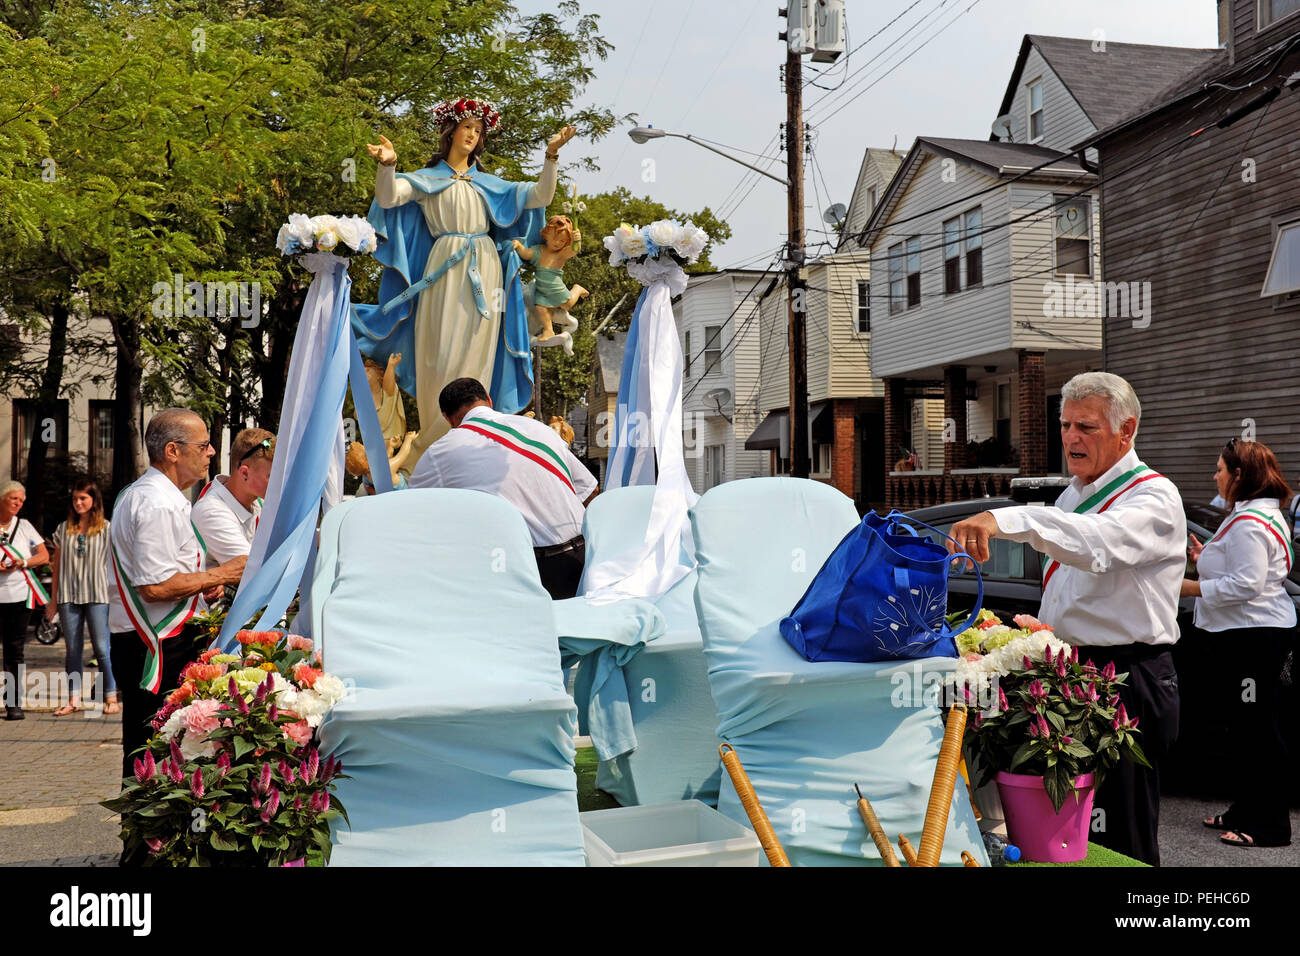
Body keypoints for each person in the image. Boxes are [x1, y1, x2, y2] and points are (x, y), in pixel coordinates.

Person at [949, 372, 1185, 866]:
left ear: (1127, 430)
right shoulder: (1075, 495)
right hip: (1076, 674)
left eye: (1088, 427)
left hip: (1127, 675)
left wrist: (1006, 519)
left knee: (1121, 838)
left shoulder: (1153, 497)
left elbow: (1095, 543)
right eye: (1066, 425)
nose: (1072, 438)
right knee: (1067, 837)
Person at [354, 98, 575, 465]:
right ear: (451, 131)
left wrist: (551, 156)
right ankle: (433, 448)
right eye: (467, 127)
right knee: (437, 355)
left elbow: (541, 195)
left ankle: (474, 444)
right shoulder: (428, 180)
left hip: (485, 272)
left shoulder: (490, 185)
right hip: (442, 271)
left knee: (476, 358)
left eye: (478, 130)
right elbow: (388, 196)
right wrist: (388, 165)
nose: (472, 135)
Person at [109, 409, 246, 783]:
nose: (211, 453)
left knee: (161, 749)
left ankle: (151, 836)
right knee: (152, 750)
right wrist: (224, 572)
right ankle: (146, 838)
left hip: (155, 640)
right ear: (172, 450)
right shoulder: (157, 502)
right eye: (203, 445)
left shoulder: (150, 494)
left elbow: (165, 574)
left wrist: (203, 581)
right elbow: (153, 587)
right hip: (157, 645)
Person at [1183, 439, 1295, 848]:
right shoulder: (1257, 514)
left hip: (1254, 638)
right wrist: (1206, 556)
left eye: (1220, 470)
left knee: (1259, 732)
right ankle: (1246, 810)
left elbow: (1247, 584)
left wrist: (1191, 585)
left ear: (1239, 476)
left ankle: (1270, 826)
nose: (1215, 476)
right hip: (1250, 634)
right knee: (1246, 730)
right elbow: (1245, 568)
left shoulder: (1250, 522)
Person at [408, 378, 598, 600]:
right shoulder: (539, 429)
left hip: (520, 568)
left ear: (447, 418)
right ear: (488, 400)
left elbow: (415, 512)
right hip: (583, 559)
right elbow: (590, 490)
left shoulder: (440, 452)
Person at [48, 478, 117, 716]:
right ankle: (73, 699)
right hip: (68, 595)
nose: (78, 503)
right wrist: (52, 600)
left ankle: (111, 695)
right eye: (75, 498)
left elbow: (115, 565)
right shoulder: (62, 529)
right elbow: (56, 568)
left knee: (101, 647)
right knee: (72, 649)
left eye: (83, 498)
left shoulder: (107, 529)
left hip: (98, 594)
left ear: (93, 500)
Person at [0, 480, 50, 720]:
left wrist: (23, 562)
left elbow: (43, 555)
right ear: (2, 498)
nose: (18, 504)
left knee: (14, 650)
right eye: (13, 499)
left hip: (19, 597)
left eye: (21, 501)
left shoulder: (25, 526)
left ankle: (13, 703)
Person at [190, 428, 275, 565]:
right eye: (271, 476)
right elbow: (251, 569)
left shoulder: (257, 502)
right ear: (244, 473)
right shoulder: (212, 511)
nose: (279, 482)